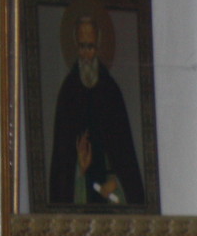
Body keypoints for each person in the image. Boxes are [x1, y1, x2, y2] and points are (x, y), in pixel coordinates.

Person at [48, 13, 144, 207]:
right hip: (81, 187)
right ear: (76, 46)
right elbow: (62, 159)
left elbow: (124, 150)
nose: (86, 53)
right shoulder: (69, 92)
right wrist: (79, 168)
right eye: (82, 46)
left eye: (90, 46)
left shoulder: (110, 90)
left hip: (111, 187)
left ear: (98, 46)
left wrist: (116, 180)